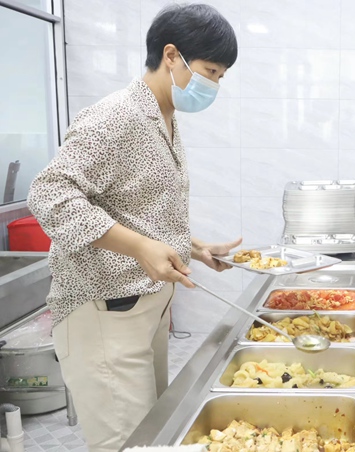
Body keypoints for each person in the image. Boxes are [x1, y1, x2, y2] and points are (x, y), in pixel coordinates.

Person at [27, 5, 240, 451]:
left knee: (153, 435)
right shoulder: (116, 116)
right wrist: (141, 247)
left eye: (220, 76)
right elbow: (49, 194)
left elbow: (137, 207)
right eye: (210, 71)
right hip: (103, 311)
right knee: (129, 444)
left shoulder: (164, 116)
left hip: (145, 309)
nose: (214, 85)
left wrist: (193, 245)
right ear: (171, 55)